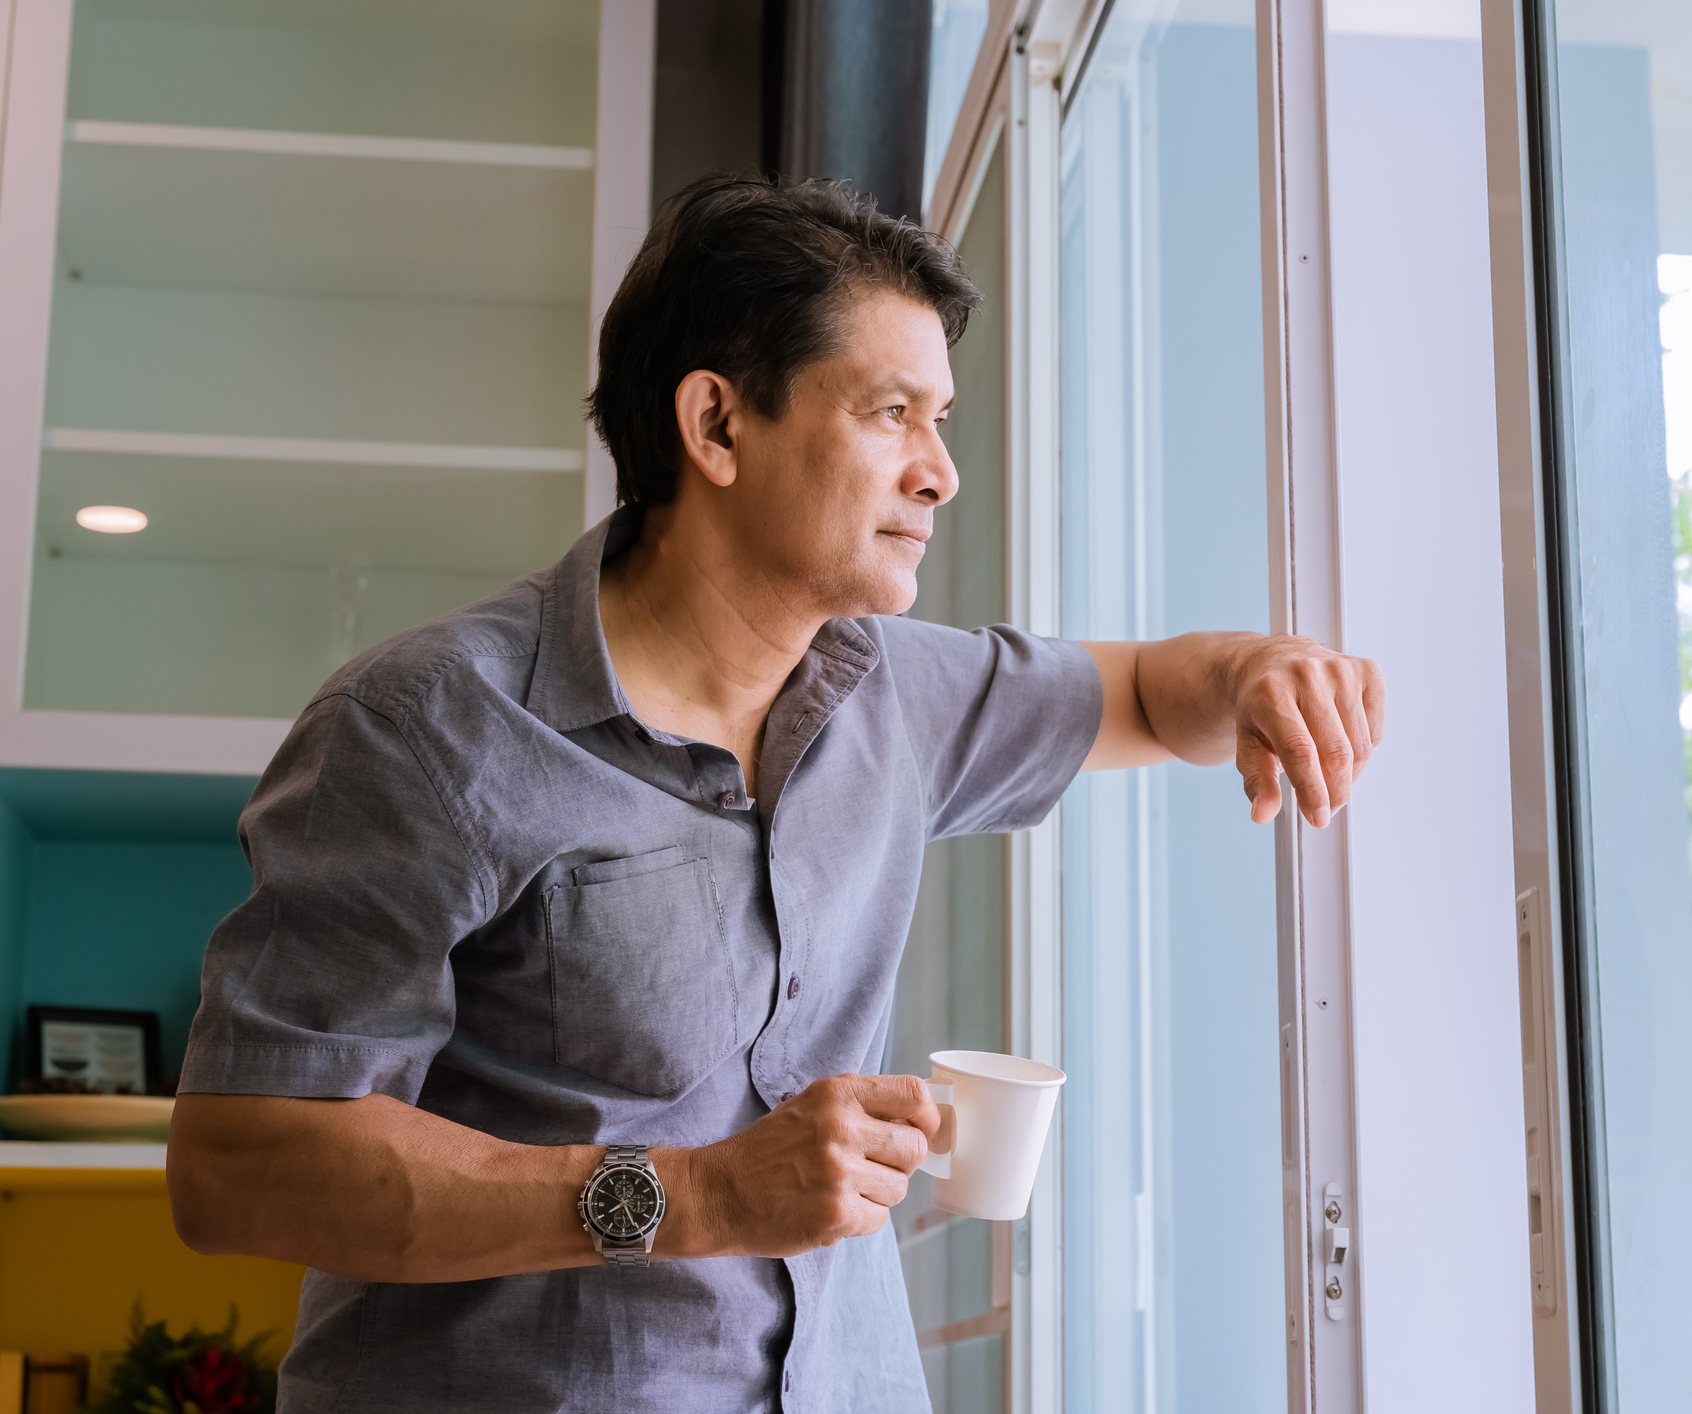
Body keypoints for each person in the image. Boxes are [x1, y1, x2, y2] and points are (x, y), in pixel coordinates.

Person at [168, 174, 1383, 1413]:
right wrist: (692, 1196)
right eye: (892, 413)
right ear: (717, 425)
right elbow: (240, 1163)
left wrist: (1259, 672)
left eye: (939, 419)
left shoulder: (897, 695)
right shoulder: (428, 725)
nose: (941, 473)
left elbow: (1148, 695)